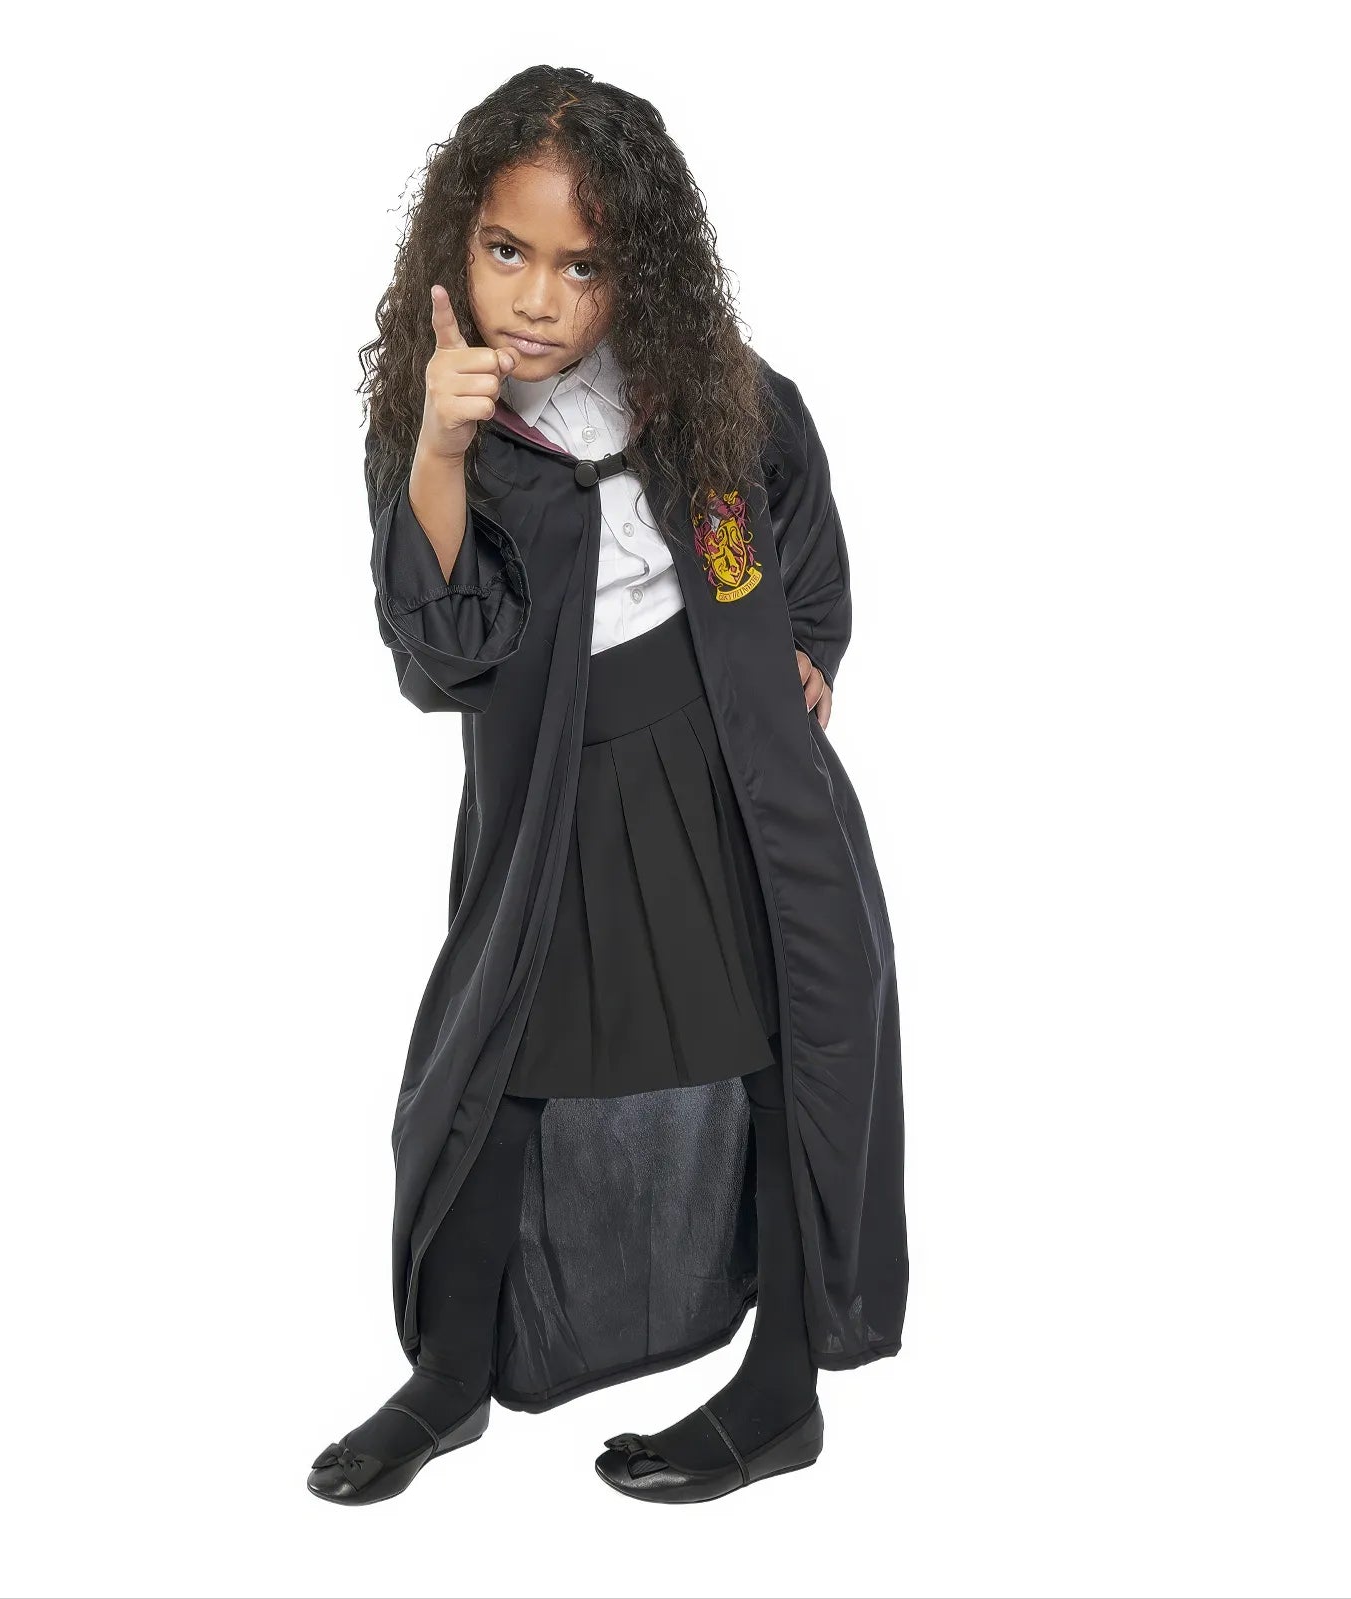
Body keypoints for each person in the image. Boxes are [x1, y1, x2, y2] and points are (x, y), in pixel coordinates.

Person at [309, 64, 905, 1508]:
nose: (538, 299)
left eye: (583, 267)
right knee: (501, 1070)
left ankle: (782, 1392)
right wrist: (439, 452)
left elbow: (797, 505)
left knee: (781, 1054)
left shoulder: (707, 393)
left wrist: (809, 646)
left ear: (639, 272)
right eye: (507, 251)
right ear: (456, 242)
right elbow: (441, 657)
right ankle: (452, 1375)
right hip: (562, 800)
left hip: (735, 782)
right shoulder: (449, 430)